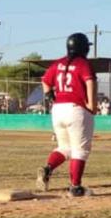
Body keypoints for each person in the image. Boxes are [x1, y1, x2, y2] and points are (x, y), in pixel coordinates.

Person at [36, 32, 98, 197]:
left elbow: (45, 81)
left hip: (58, 109)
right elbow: (90, 81)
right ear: (84, 48)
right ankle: (75, 187)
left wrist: (51, 98)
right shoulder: (83, 63)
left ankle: (48, 169)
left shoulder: (58, 63)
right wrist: (92, 105)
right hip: (76, 109)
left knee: (65, 148)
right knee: (80, 150)